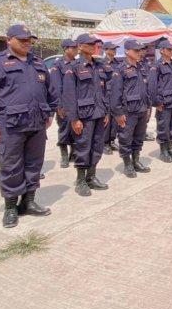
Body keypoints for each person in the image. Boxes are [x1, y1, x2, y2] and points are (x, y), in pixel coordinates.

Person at [0, 24, 58, 228]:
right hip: (9, 125)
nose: (27, 43)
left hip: (37, 123)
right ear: (9, 40)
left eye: (29, 40)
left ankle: (28, 202)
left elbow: (51, 90)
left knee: (34, 164)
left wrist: (50, 112)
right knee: (11, 165)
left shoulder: (37, 63)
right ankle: (11, 207)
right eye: (22, 40)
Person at [62, 34, 110, 196]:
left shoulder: (99, 66)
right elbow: (69, 96)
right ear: (80, 47)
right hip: (84, 115)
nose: (92, 46)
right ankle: (81, 180)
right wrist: (74, 119)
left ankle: (91, 176)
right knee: (83, 148)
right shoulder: (74, 67)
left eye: (94, 44)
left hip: (99, 113)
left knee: (97, 147)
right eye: (88, 44)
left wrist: (106, 112)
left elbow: (104, 91)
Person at [110, 39, 151, 178]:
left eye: (140, 50)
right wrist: (118, 113)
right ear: (127, 51)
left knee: (139, 137)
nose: (139, 53)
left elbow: (146, 89)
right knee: (125, 138)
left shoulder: (142, 67)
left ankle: (136, 160)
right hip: (128, 111)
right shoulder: (120, 69)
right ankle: (127, 164)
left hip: (141, 109)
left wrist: (148, 106)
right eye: (136, 50)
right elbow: (115, 93)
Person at [149, 40, 172, 162]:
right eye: (169, 49)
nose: (171, 51)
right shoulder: (157, 66)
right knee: (163, 127)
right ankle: (163, 150)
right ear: (162, 50)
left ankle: (170, 148)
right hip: (164, 102)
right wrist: (157, 102)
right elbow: (152, 86)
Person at [49, 38, 78, 168]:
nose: (76, 50)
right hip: (64, 105)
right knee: (64, 130)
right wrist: (59, 105)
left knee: (76, 130)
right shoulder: (58, 65)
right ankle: (64, 155)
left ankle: (74, 153)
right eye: (73, 48)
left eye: (76, 47)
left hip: (77, 103)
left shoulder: (78, 64)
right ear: (65, 49)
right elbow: (56, 87)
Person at [101, 42, 123, 154]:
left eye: (115, 49)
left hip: (116, 94)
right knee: (106, 119)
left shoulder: (117, 63)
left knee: (115, 119)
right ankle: (104, 143)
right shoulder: (101, 64)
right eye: (112, 49)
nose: (114, 50)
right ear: (105, 50)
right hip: (106, 94)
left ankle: (112, 139)